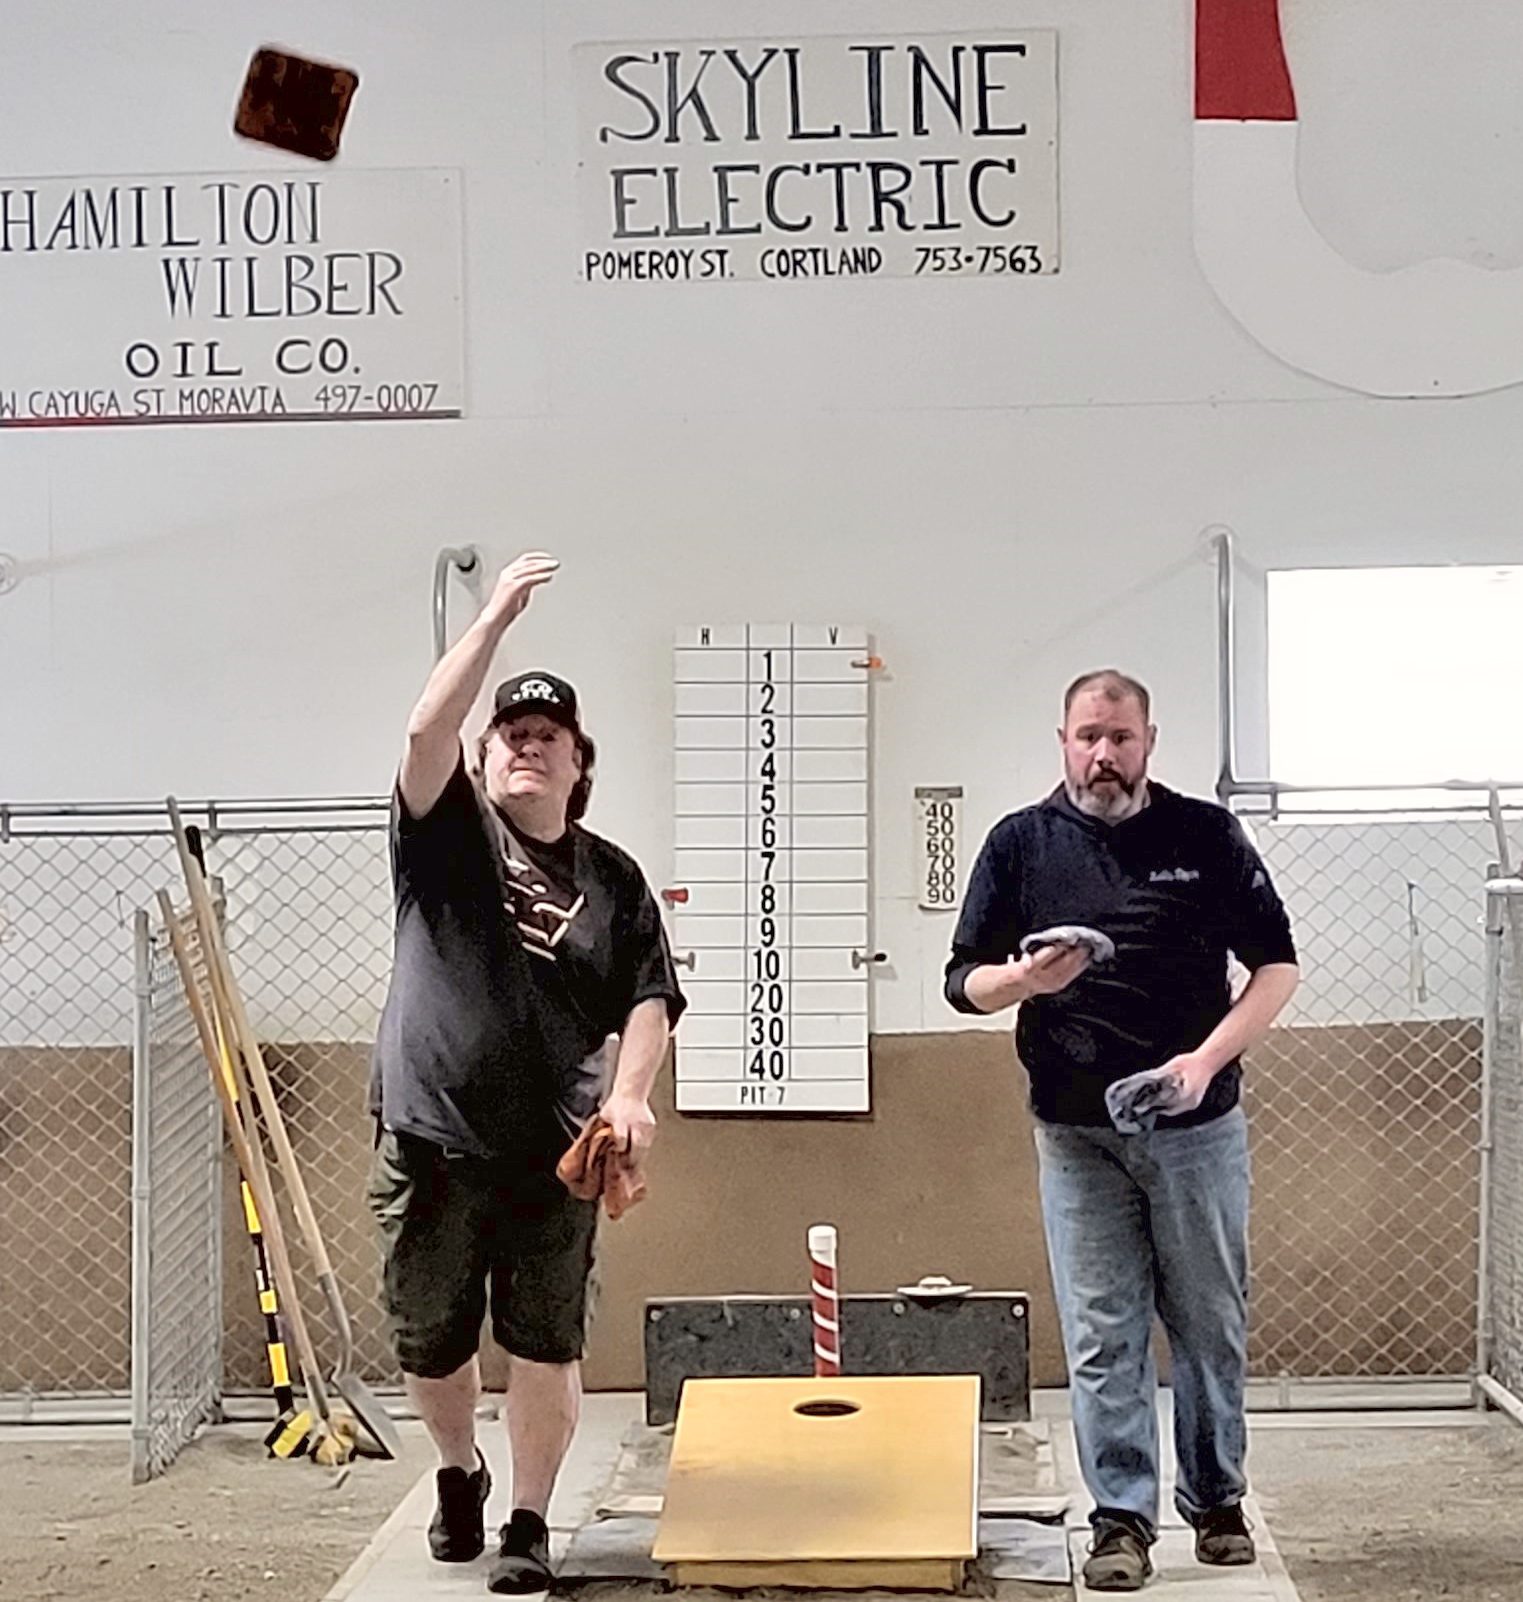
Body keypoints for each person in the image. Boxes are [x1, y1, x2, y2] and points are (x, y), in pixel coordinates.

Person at [367, 552, 686, 1594]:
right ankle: (459, 1473)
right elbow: (424, 732)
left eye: (547, 737)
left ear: (577, 763)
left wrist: (630, 1094)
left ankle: (527, 1521)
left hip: (555, 1150)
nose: (527, 748)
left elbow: (651, 995)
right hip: (431, 1131)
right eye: (511, 734)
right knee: (431, 1337)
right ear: (488, 755)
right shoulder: (447, 836)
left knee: (545, 1341)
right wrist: (496, 618)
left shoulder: (612, 879)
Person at [944, 670, 1299, 1593]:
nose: (1103, 756)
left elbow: (1275, 968)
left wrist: (1204, 1063)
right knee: (1104, 1334)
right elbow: (962, 981)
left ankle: (1216, 1500)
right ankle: (1120, 1521)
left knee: (1207, 1322)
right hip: (1073, 1133)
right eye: (1086, 737)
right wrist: (1024, 983)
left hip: (1195, 1126)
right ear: (1060, 740)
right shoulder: (1019, 844)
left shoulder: (1205, 836)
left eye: (1120, 738)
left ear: (1149, 741)